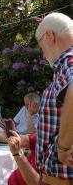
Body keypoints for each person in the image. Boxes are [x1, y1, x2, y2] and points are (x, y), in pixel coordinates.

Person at [36, 12, 73, 184]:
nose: (43, 55)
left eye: (41, 45)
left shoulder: (69, 60)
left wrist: (64, 148)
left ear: (50, 35)